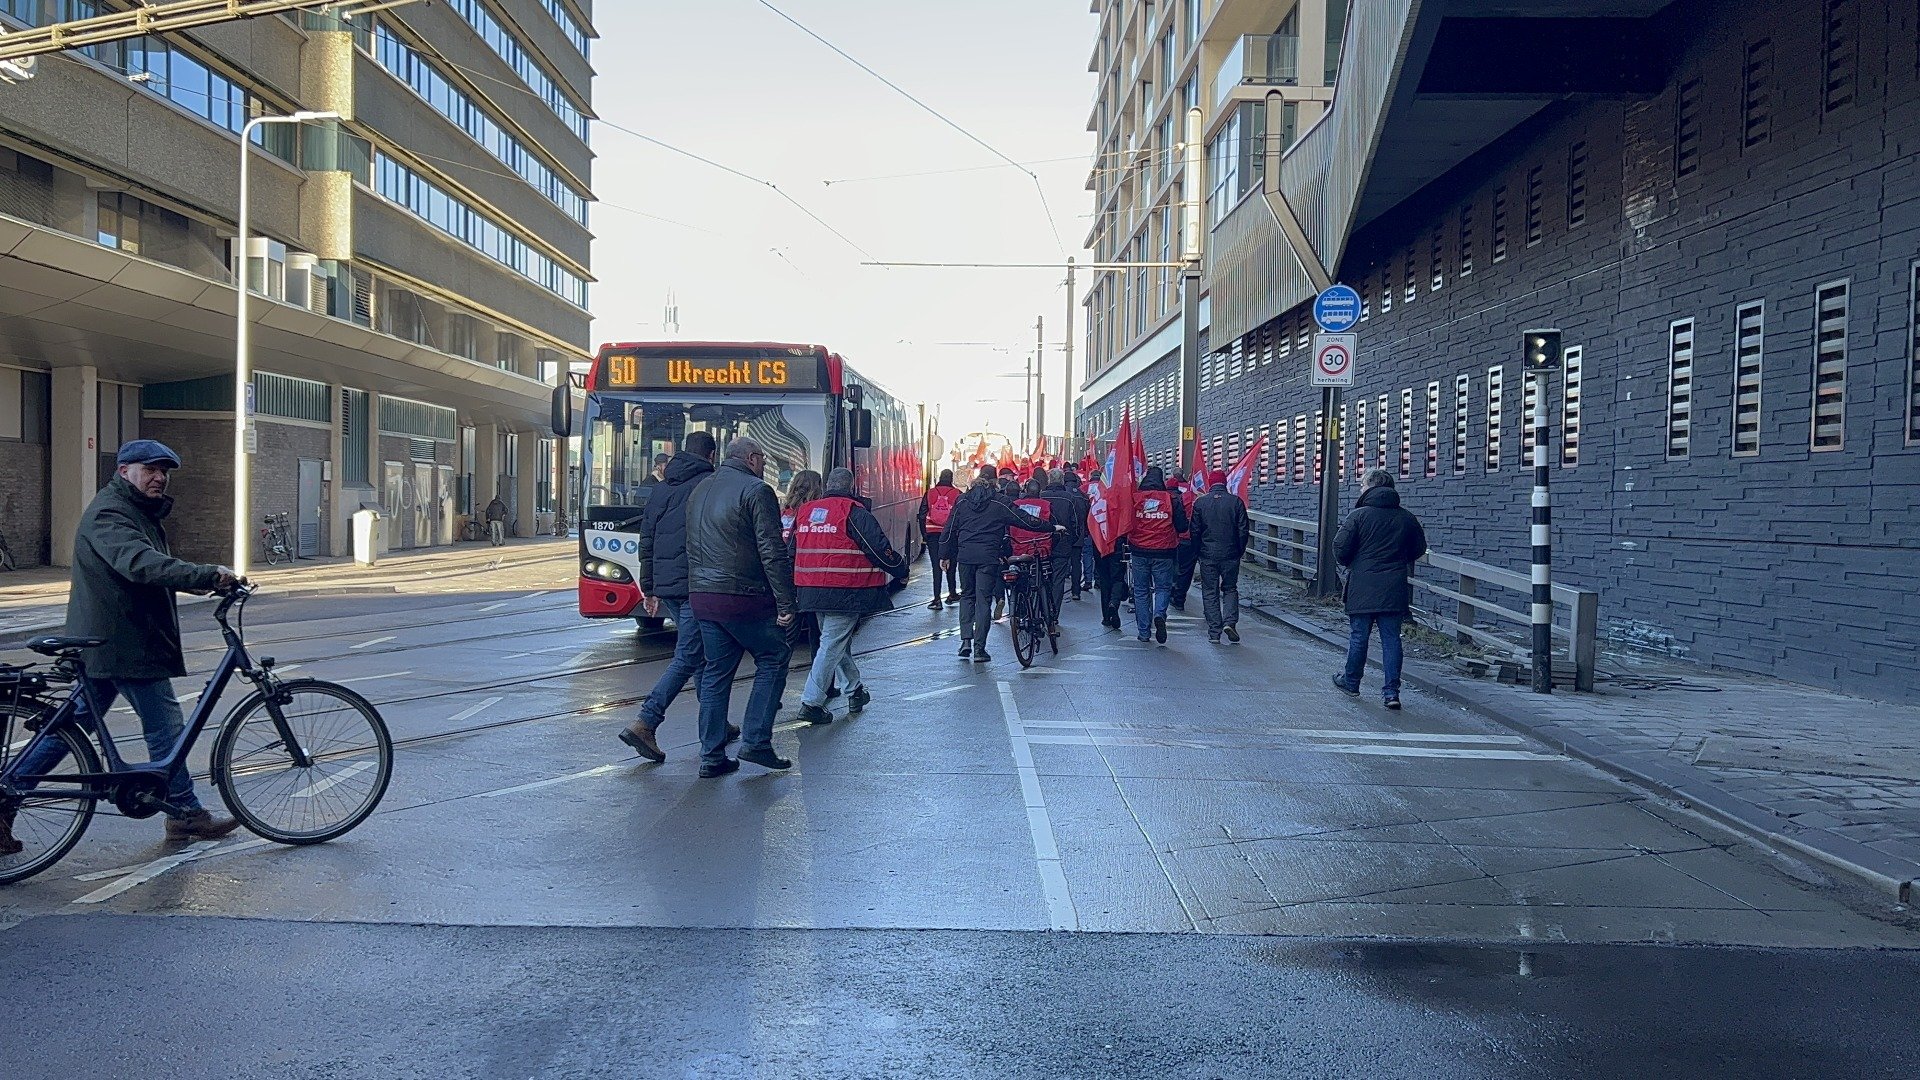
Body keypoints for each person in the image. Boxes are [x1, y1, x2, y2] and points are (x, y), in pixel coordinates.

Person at [2, 440, 241, 856]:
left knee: (68, 729)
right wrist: (207, 575)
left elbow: (143, 567)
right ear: (123, 470)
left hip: (115, 640)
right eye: (150, 469)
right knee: (164, 725)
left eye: (164, 471)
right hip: (122, 642)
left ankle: (6, 800)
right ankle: (185, 813)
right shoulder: (111, 512)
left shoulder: (134, 511)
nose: (159, 477)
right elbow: (139, 563)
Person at [684, 437, 798, 776]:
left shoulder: (700, 489)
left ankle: (712, 756)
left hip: (703, 595)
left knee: (716, 673)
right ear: (752, 458)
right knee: (774, 657)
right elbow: (771, 550)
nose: (765, 465)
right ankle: (756, 741)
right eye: (763, 458)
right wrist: (786, 602)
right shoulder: (756, 490)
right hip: (743, 595)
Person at [620, 430, 733, 762]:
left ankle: (717, 725)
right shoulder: (709, 486)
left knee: (696, 653)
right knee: (688, 656)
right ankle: (646, 721)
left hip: (669, 585)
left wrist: (649, 587)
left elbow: (647, 538)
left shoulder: (661, 487)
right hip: (696, 583)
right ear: (711, 456)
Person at [790, 467, 909, 724]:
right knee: (832, 644)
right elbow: (879, 548)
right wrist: (900, 569)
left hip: (810, 589)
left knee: (834, 642)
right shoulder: (853, 512)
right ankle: (811, 702)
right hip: (844, 590)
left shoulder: (806, 511)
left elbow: (791, 549)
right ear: (851, 487)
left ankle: (854, 690)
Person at [1332, 468, 1429, 710]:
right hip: (1394, 586)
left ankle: (1352, 682)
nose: (1360, 489)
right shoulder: (1406, 518)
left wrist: (1354, 562)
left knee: (1359, 636)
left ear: (1371, 487)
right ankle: (1391, 693)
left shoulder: (1358, 516)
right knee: (1391, 639)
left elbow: (1340, 547)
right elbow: (1418, 548)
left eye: (1362, 485)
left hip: (1363, 585)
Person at [940, 465, 1055, 663]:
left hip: (965, 556)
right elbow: (1025, 520)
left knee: (967, 596)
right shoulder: (998, 502)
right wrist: (1051, 527)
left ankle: (965, 641)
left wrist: (944, 554)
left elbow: (949, 529)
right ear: (994, 482)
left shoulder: (962, 501)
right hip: (988, 557)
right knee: (983, 600)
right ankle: (979, 648)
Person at [1126, 466, 1189, 644]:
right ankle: (1159, 614)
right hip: (1164, 551)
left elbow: (1126, 522)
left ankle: (1144, 632)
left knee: (1140, 590)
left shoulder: (1134, 498)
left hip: (1138, 550)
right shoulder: (1172, 499)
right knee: (1162, 588)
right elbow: (1182, 527)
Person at [1190, 469, 1250, 644]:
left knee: (1210, 591)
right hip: (1230, 553)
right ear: (1224, 483)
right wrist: (1239, 550)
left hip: (1207, 554)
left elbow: (1194, 530)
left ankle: (1214, 631)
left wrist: (1197, 551)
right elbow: (1243, 530)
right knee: (1230, 588)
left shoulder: (1200, 503)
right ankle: (1230, 622)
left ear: (1210, 483)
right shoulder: (1236, 502)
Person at [1041, 469, 1085, 629]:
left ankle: (1042, 609)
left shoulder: (1041, 496)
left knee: (1042, 577)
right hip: (1063, 543)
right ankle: (1053, 614)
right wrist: (1072, 539)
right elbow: (1076, 522)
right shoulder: (1069, 498)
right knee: (1058, 580)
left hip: (1043, 542)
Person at [916, 470, 963, 609]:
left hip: (933, 533)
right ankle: (952, 593)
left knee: (936, 566)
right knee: (952, 564)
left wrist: (924, 534)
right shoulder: (957, 494)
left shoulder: (930, 493)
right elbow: (960, 516)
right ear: (951, 479)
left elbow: (922, 514)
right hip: (950, 534)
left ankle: (937, 599)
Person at [1169, 471, 1200, 611]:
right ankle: (1180, 596)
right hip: (1195, 538)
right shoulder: (1197, 495)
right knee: (1187, 570)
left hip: (1178, 537)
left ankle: (1175, 593)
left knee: (1177, 567)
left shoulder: (1175, 497)